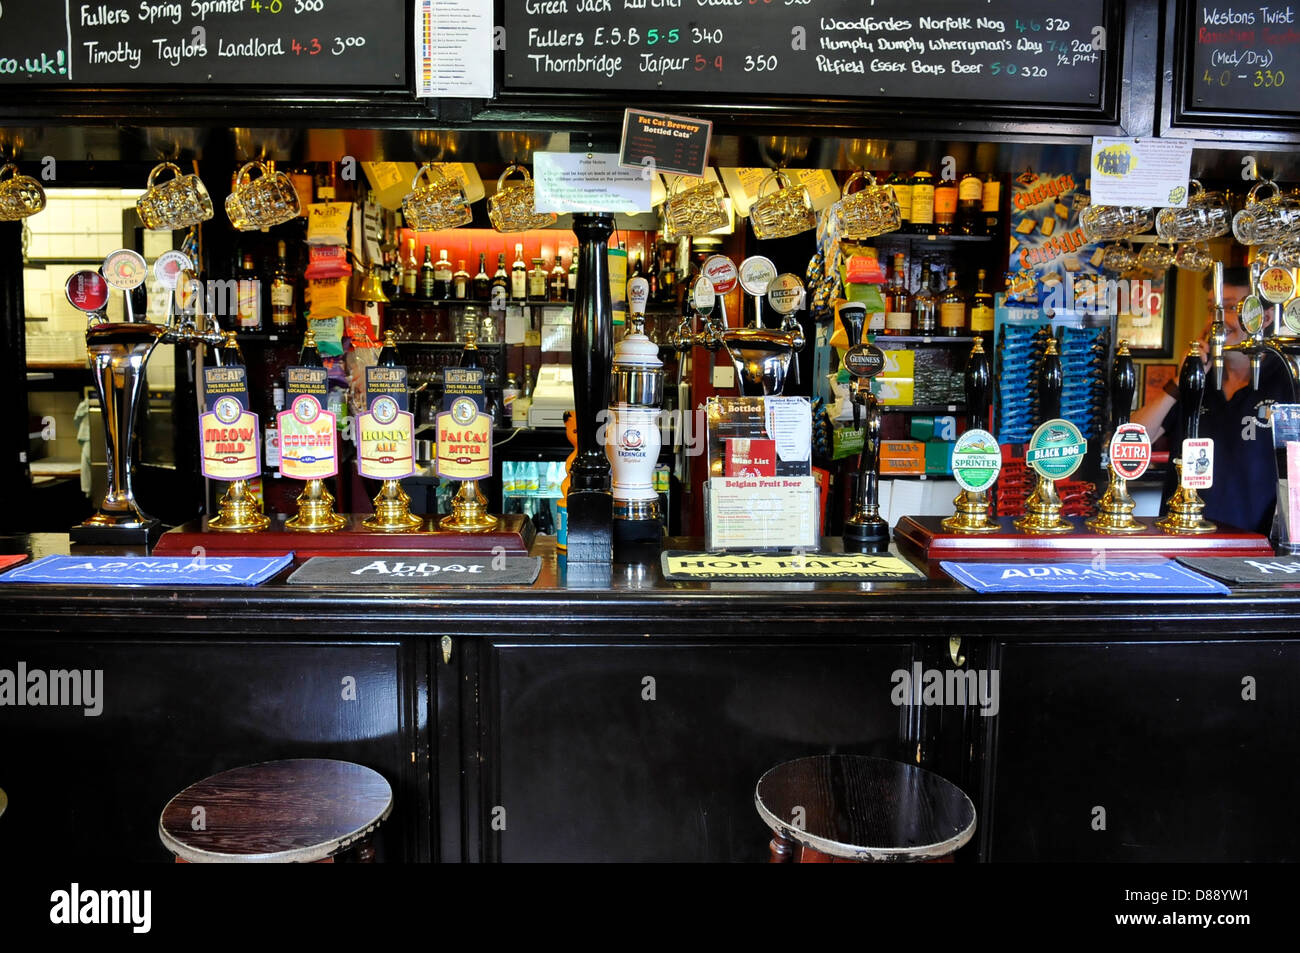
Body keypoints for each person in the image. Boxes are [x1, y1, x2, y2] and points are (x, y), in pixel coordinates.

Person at [1131, 267, 1294, 535]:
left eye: (1231, 308)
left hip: (1256, 549)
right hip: (1182, 540)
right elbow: (1132, 442)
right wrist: (1179, 383)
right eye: (1212, 309)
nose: (1216, 320)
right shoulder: (1196, 382)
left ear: (1263, 318)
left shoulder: (1286, 379)